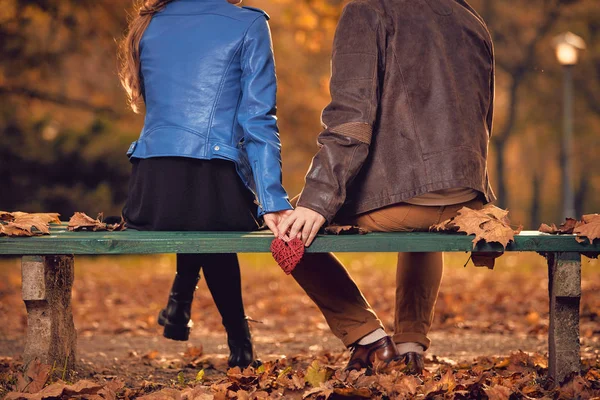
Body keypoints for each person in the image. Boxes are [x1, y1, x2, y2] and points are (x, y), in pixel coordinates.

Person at [278, 0, 496, 374]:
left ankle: (368, 338)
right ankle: (411, 346)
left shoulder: (366, 10)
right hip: (467, 199)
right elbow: (483, 114)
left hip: (407, 198)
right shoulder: (468, 16)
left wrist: (315, 201)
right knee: (420, 228)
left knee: (288, 229)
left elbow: (350, 120)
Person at [117, 0, 293, 368]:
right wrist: (272, 199)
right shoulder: (249, 23)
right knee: (208, 206)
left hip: (151, 190)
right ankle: (237, 341)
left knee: (197, 206)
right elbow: (259, 120)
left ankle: (182, 303)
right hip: (214, 186)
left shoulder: (148, 23)